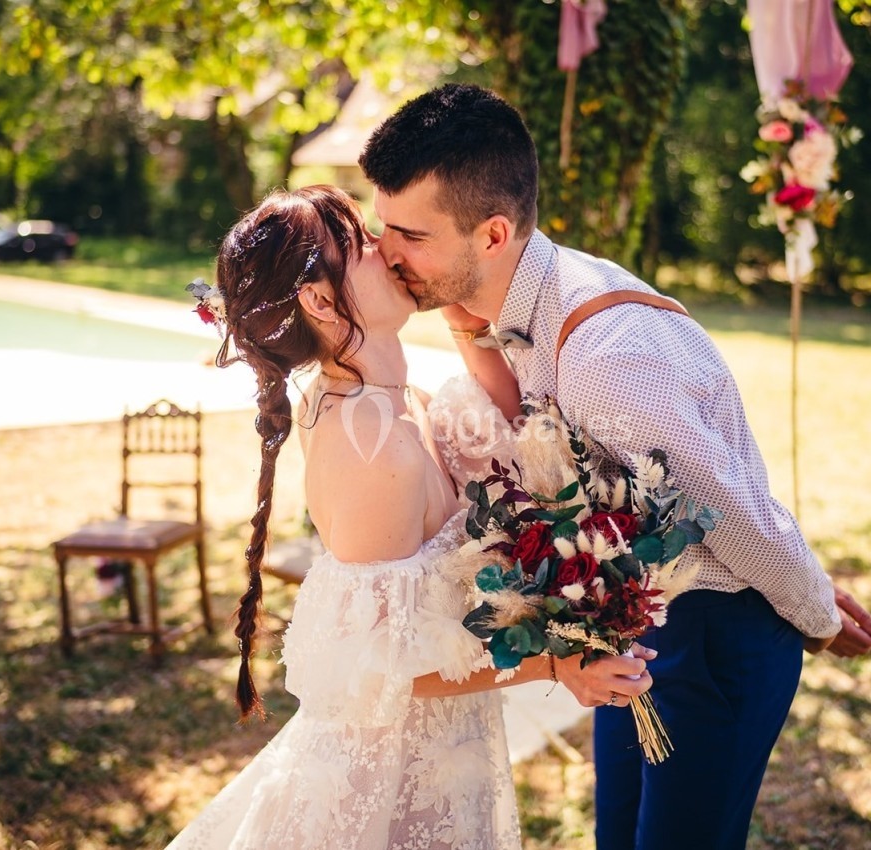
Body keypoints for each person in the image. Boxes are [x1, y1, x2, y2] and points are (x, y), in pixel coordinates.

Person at [358, 83, 871, 850]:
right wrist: (453, 308)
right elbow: (535, 436)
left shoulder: (608, 355)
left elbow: (731, 513)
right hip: (639, 632)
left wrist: (813, 613)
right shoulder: (521, 299)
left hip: (717, 642)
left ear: (494, 234)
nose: (386, 252)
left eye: (409, 235)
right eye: (383, 228)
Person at [165, 185, 653, 850]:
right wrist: (554, 666)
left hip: (446, 751)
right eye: (360, 243)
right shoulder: (372, 441)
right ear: (318, 300)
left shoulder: (394, 396)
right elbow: (376, 673)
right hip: (386, 786)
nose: (385, 248)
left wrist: (456, 284)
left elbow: (516, 428)